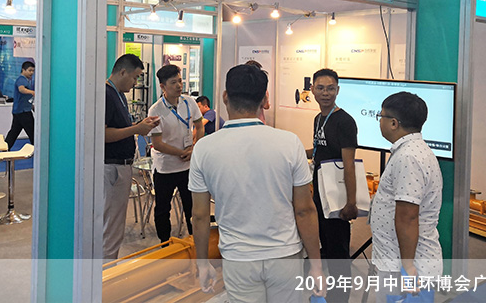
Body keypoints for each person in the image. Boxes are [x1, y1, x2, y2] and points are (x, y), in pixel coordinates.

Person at [190, 64, 325, 302]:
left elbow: (200, 216)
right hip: (285, 254)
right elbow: (304, 210)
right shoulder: (289, 143)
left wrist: (202, 263)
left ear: (225, 97)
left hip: (238, 258)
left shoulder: (204, 148)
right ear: (264, 99)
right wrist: (316, 265)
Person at [370, 92, 443, 302]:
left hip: (405, 267)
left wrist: (408, 267)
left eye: (381, 116)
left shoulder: (408, 157)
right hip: (398, 260)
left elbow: (408, 217)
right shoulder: (411, 151)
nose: (379, 121)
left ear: (394, 123)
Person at [307, 68, 358, 303]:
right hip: (320, 193)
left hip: (337, 196)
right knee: (326, 246)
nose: (325, 93)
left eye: (330, 88)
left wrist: (351, 202)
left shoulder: (345, 121)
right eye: (320, 88)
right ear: (312, 90)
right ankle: (328, 295)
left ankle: (340, 298)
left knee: (338, 252)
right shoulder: (318, 118)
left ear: (338, 90)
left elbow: (349, 164)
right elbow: (320, 150)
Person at [104, 54, 160, 260]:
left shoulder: (118, 95)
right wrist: (136, 129)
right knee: (110, 228)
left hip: (122, 168)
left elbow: (120, 128)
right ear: (122, 72)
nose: (136, 83)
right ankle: (104, 272)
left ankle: (107, 268)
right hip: (112, 168)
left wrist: (140, 125)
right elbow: (103, 134)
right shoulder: (106, 95)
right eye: (135, 77)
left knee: (115, 227)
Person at [148, 64, 204, 242]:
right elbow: (157, 144)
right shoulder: (156, 110)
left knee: (192, 207)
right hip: (166, 168)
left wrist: (194, 148)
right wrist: (181, 152)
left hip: (188, 166)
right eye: (173, 82)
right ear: (163, 86)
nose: (179, 85)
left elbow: (200, 126)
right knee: (163, 209)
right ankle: (165, 244)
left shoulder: (189, 102)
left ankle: (195, 242)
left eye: (180, 81)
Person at [5, 61, 35, 149]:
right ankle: (38, 150)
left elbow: (24, 98)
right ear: (23, 70)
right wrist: (33, 92)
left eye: (33, 71)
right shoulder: (21, 79)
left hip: (19, 111)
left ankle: (5, 148)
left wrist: (31, 106)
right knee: (33, 132)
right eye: (30, 70)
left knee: (14, 132)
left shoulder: (26, 80)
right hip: (23, 112)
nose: (31, 73)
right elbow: (21, 89)